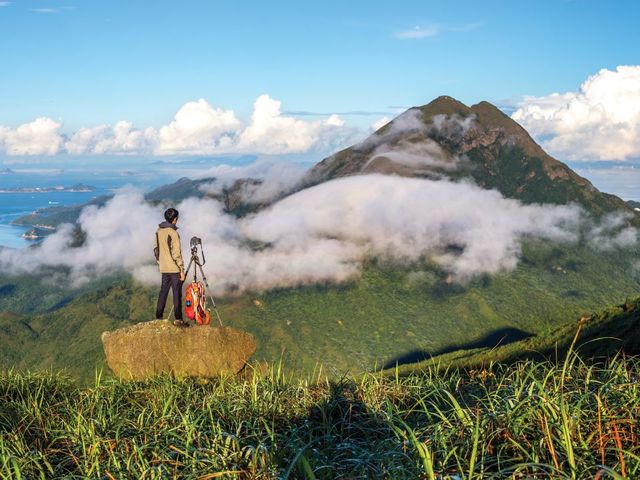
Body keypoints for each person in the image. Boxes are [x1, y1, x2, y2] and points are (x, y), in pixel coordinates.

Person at [155, 207, 187, 327]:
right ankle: (178, 319)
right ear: (174, 219)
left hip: (164, 268)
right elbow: (177, 253)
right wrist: (181, 270)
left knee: (163, 292)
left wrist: (161, 263)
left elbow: (156, 250)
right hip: (174, 269)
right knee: (176, 294)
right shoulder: (173, 233)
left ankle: (158, 317)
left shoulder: (158, 231)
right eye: (176, 218)